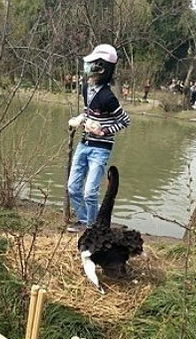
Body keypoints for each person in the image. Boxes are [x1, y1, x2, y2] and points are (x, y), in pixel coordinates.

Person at [66, 44, 131, 233]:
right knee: (73, 187)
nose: (89, 67)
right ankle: (84, 219)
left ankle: (92, 227)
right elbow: (88, 110)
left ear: (102, 68)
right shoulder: (86, 87)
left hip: (100, 149)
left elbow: (125, 120)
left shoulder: (108, 97)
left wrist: (104, 131)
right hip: (84, 143)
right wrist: (81, 118)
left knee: (90, 192)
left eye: (94, 63)